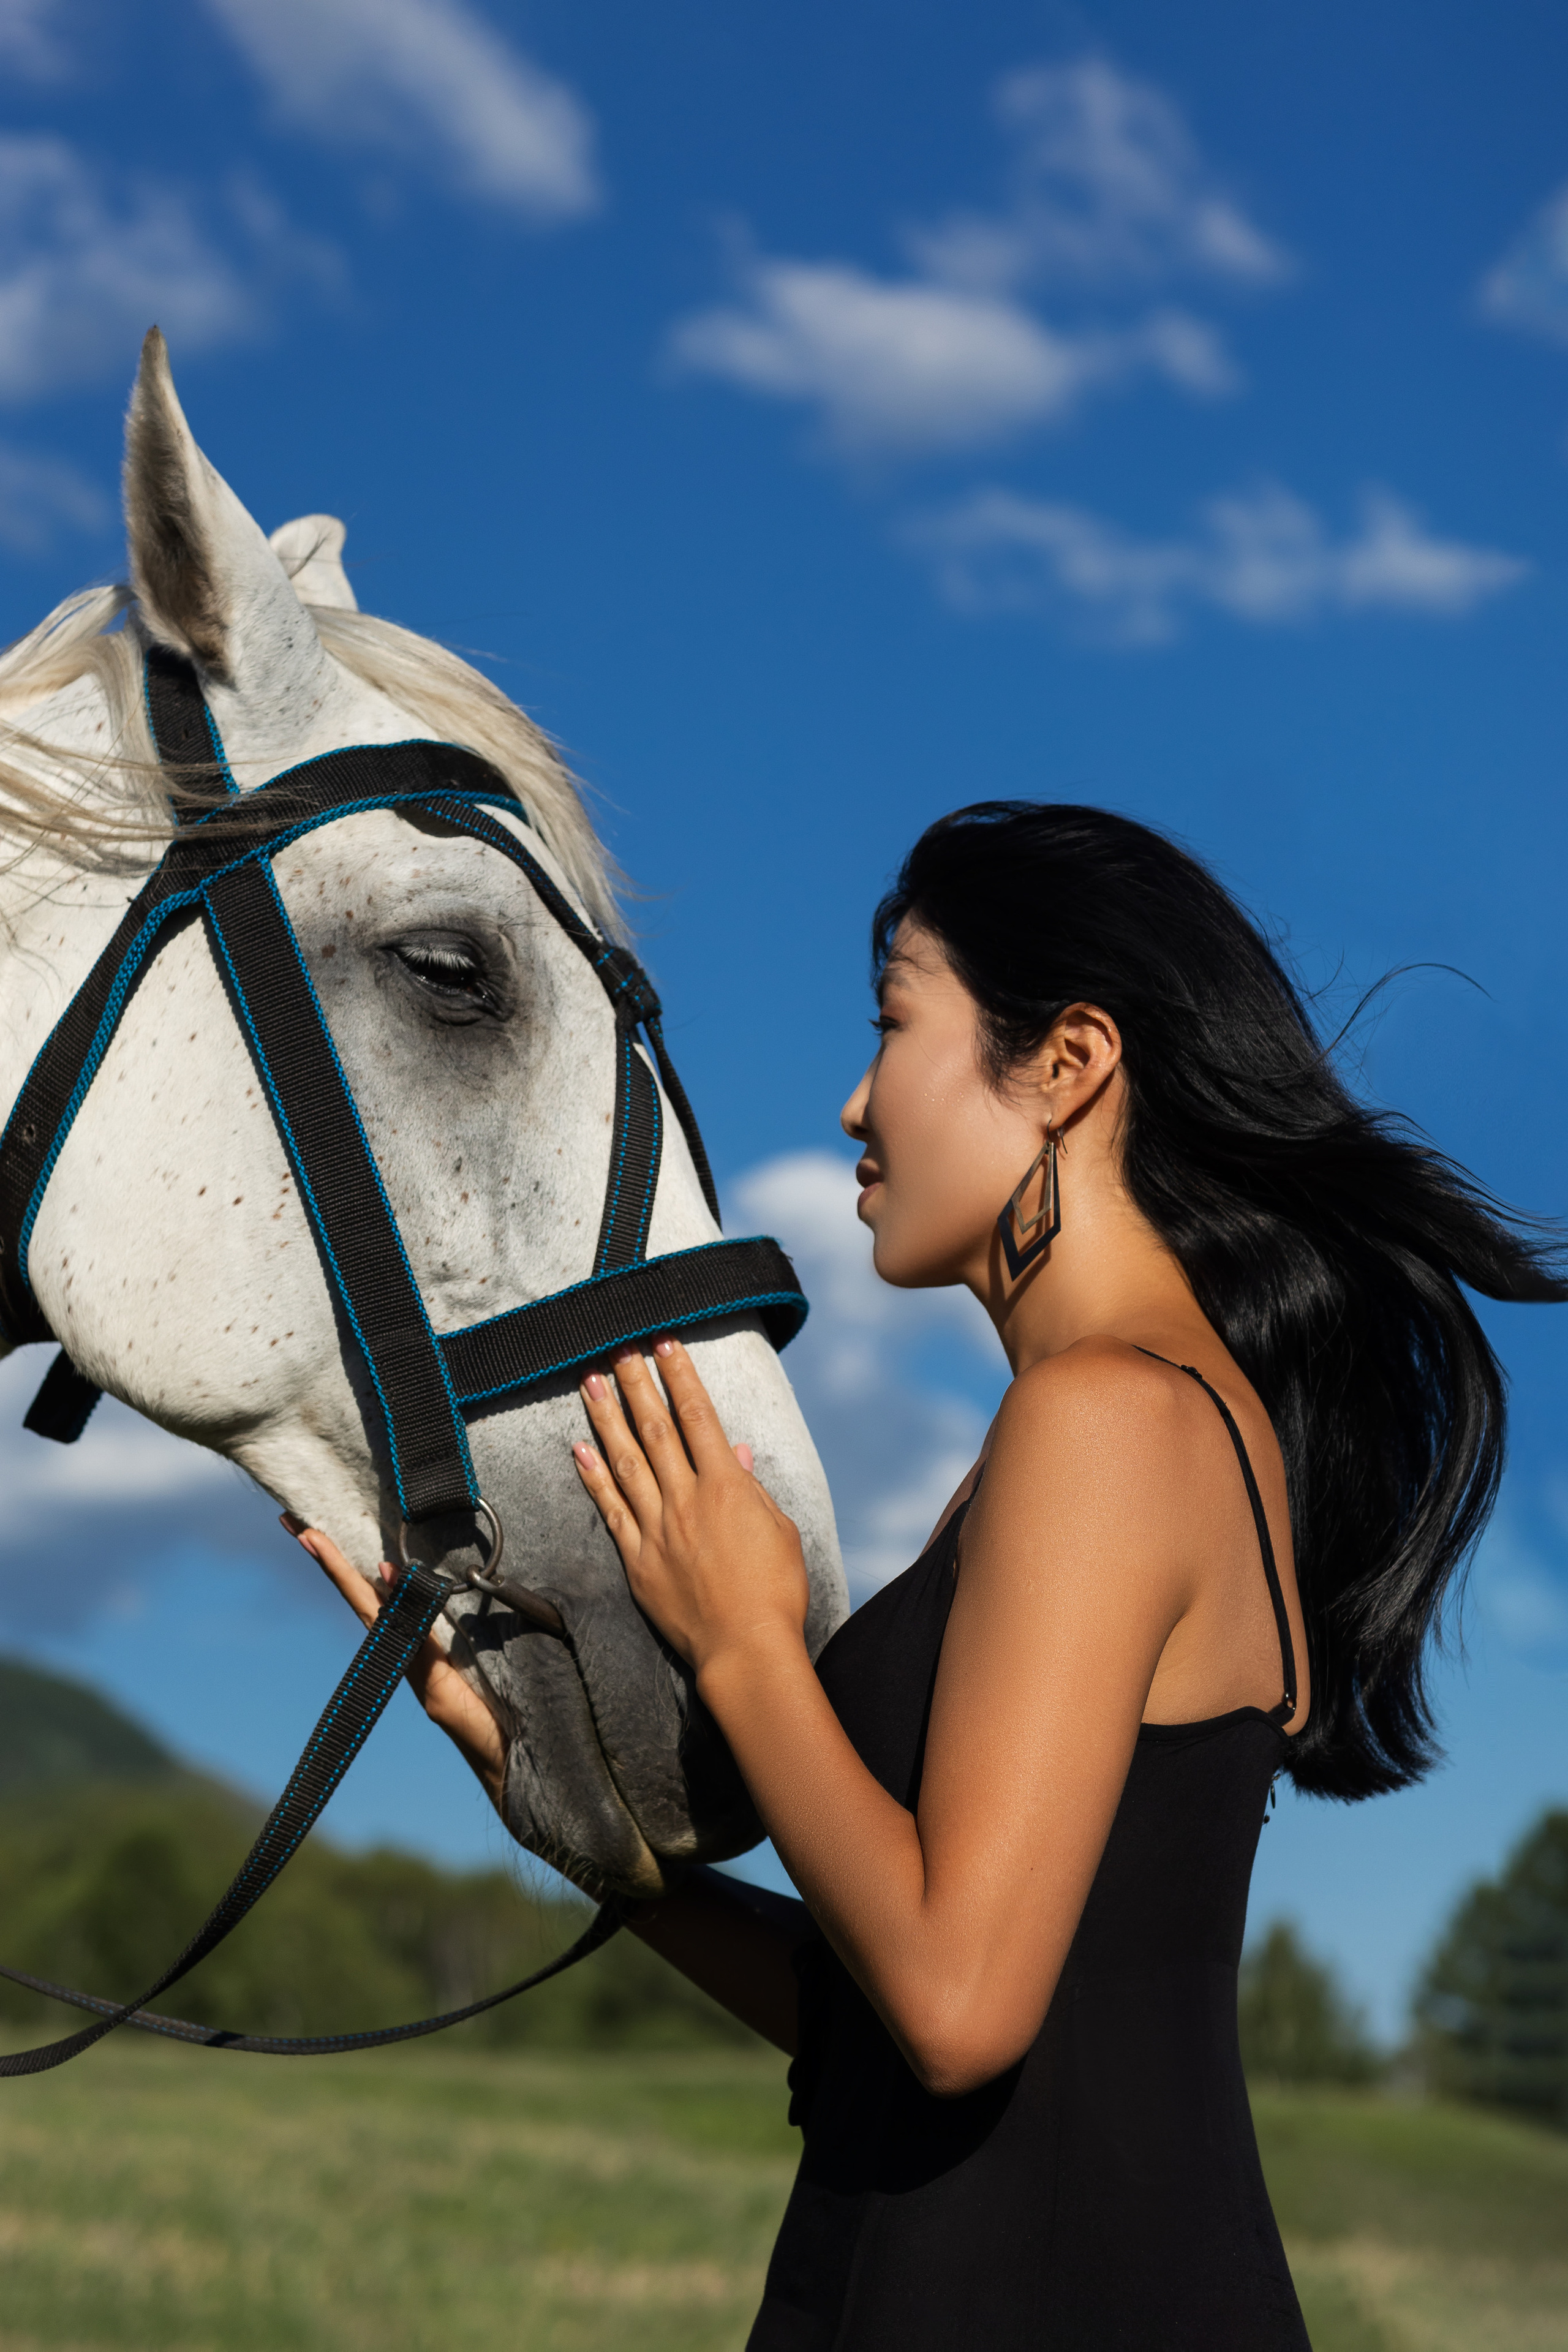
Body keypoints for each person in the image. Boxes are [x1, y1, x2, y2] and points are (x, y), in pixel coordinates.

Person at [298, 802, 1567, 2348]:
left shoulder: (1108, 1419)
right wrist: (573, 1819)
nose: (853, 1101)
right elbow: (868, 2023)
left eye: (895, 1022)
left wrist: (748, 1645)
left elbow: (958, 2011)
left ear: (1067, 1063)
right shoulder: (1133, 1425)